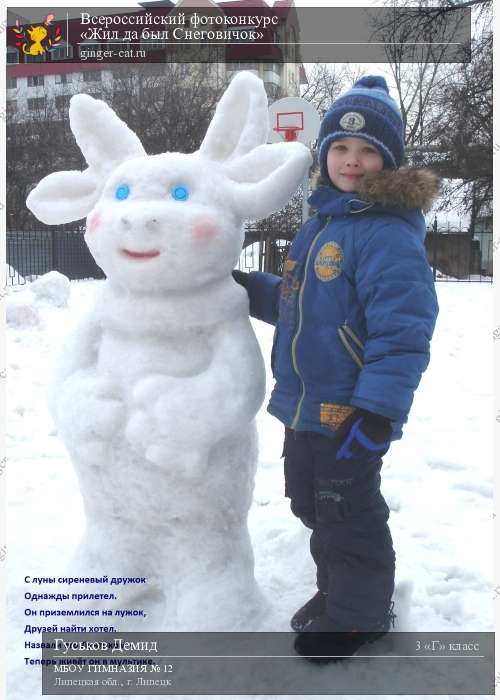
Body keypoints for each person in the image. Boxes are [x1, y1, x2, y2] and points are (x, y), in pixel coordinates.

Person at [233, 75, 439, 660]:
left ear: (389, 159)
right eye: (340, 149)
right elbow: (298, 304)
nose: (352, 161)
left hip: (350, 411)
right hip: (303, 404)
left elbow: (403, 333)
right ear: (325, 155)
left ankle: (361, 614)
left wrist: (375, 412)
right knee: (309, 501)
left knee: (347, 513)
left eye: (368, 150)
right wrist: (249, 290)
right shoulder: (317, 226)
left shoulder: (386, 236)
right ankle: (338, 592)